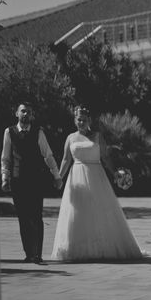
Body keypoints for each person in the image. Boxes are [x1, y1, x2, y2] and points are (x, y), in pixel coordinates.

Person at [51, 106, 142, 261]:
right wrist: (59, 177)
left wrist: (115, 173)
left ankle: (103, 247)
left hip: (97, 176)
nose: (81, 122)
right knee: (79, 213)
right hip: (77, 176)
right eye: (78, 119)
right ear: (75, 120)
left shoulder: (97, 136)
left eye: (84, 120)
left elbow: (105, 157)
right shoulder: (70, 138)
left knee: (100, 210)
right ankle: (78, 248)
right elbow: (66, 159)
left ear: (89, 121)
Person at [1, 102, 63, 265]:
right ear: (17, 113)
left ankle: (37, 254)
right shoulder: (9, 132)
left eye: (28, 112)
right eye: (22, 111)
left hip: (35, 180)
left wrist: (56, 176)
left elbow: (48, 155)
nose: (25, 114)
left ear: (32, 114)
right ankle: (29, 253)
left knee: (36, 216)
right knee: (23, 217)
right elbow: (5, 158)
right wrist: (4, 178)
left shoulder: (38, 132)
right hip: (17, 180)